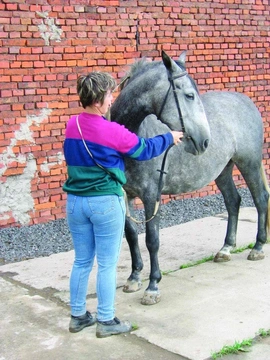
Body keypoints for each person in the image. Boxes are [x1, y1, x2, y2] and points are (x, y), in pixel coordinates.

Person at [63, 71, 183, 338]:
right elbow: (143, 150)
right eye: (108, 95)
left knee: (82, 261)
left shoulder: (73, 125)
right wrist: (168, 137)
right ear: (97, 100)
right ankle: (106, 320)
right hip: (104, 202)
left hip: (75, 203)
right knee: (107, 264)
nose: (111, 99)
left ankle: (78, 316)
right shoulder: (110, 130)